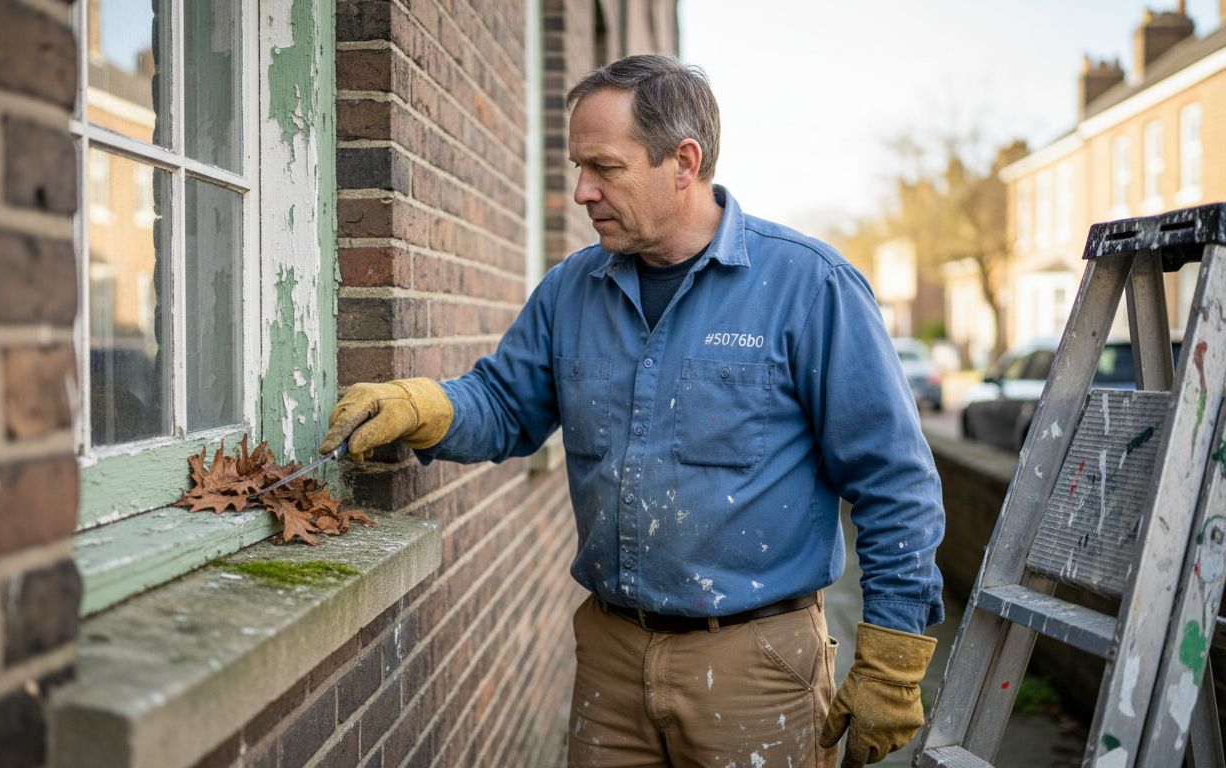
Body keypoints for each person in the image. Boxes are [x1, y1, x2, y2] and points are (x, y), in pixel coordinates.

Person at [321, 54, 944, 768]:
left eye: (605, 167)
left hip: (757, 666)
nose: (583, 192)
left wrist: (893, 652)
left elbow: (895, 481)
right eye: (576, 167)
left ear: (684, 161)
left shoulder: (809, 287)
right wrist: (423, 405)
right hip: (611, 657)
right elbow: (503, 404)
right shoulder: (570, 290)